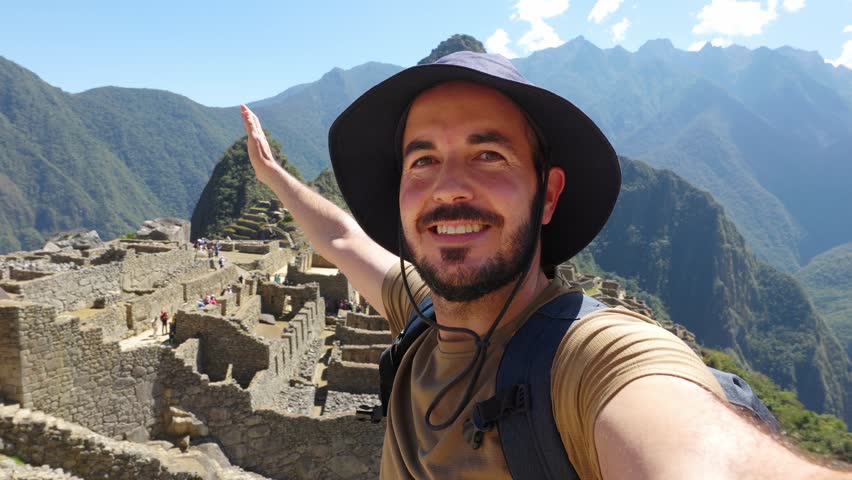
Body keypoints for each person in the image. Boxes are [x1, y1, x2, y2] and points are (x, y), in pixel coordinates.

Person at [240, 52, 845, 479]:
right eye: (422, 161)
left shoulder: (592, 360)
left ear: (548, 194)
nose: (449, 187)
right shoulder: (421, 309)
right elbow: (341, 237)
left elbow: (705, 452)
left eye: (489, 154)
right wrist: (272, 175)